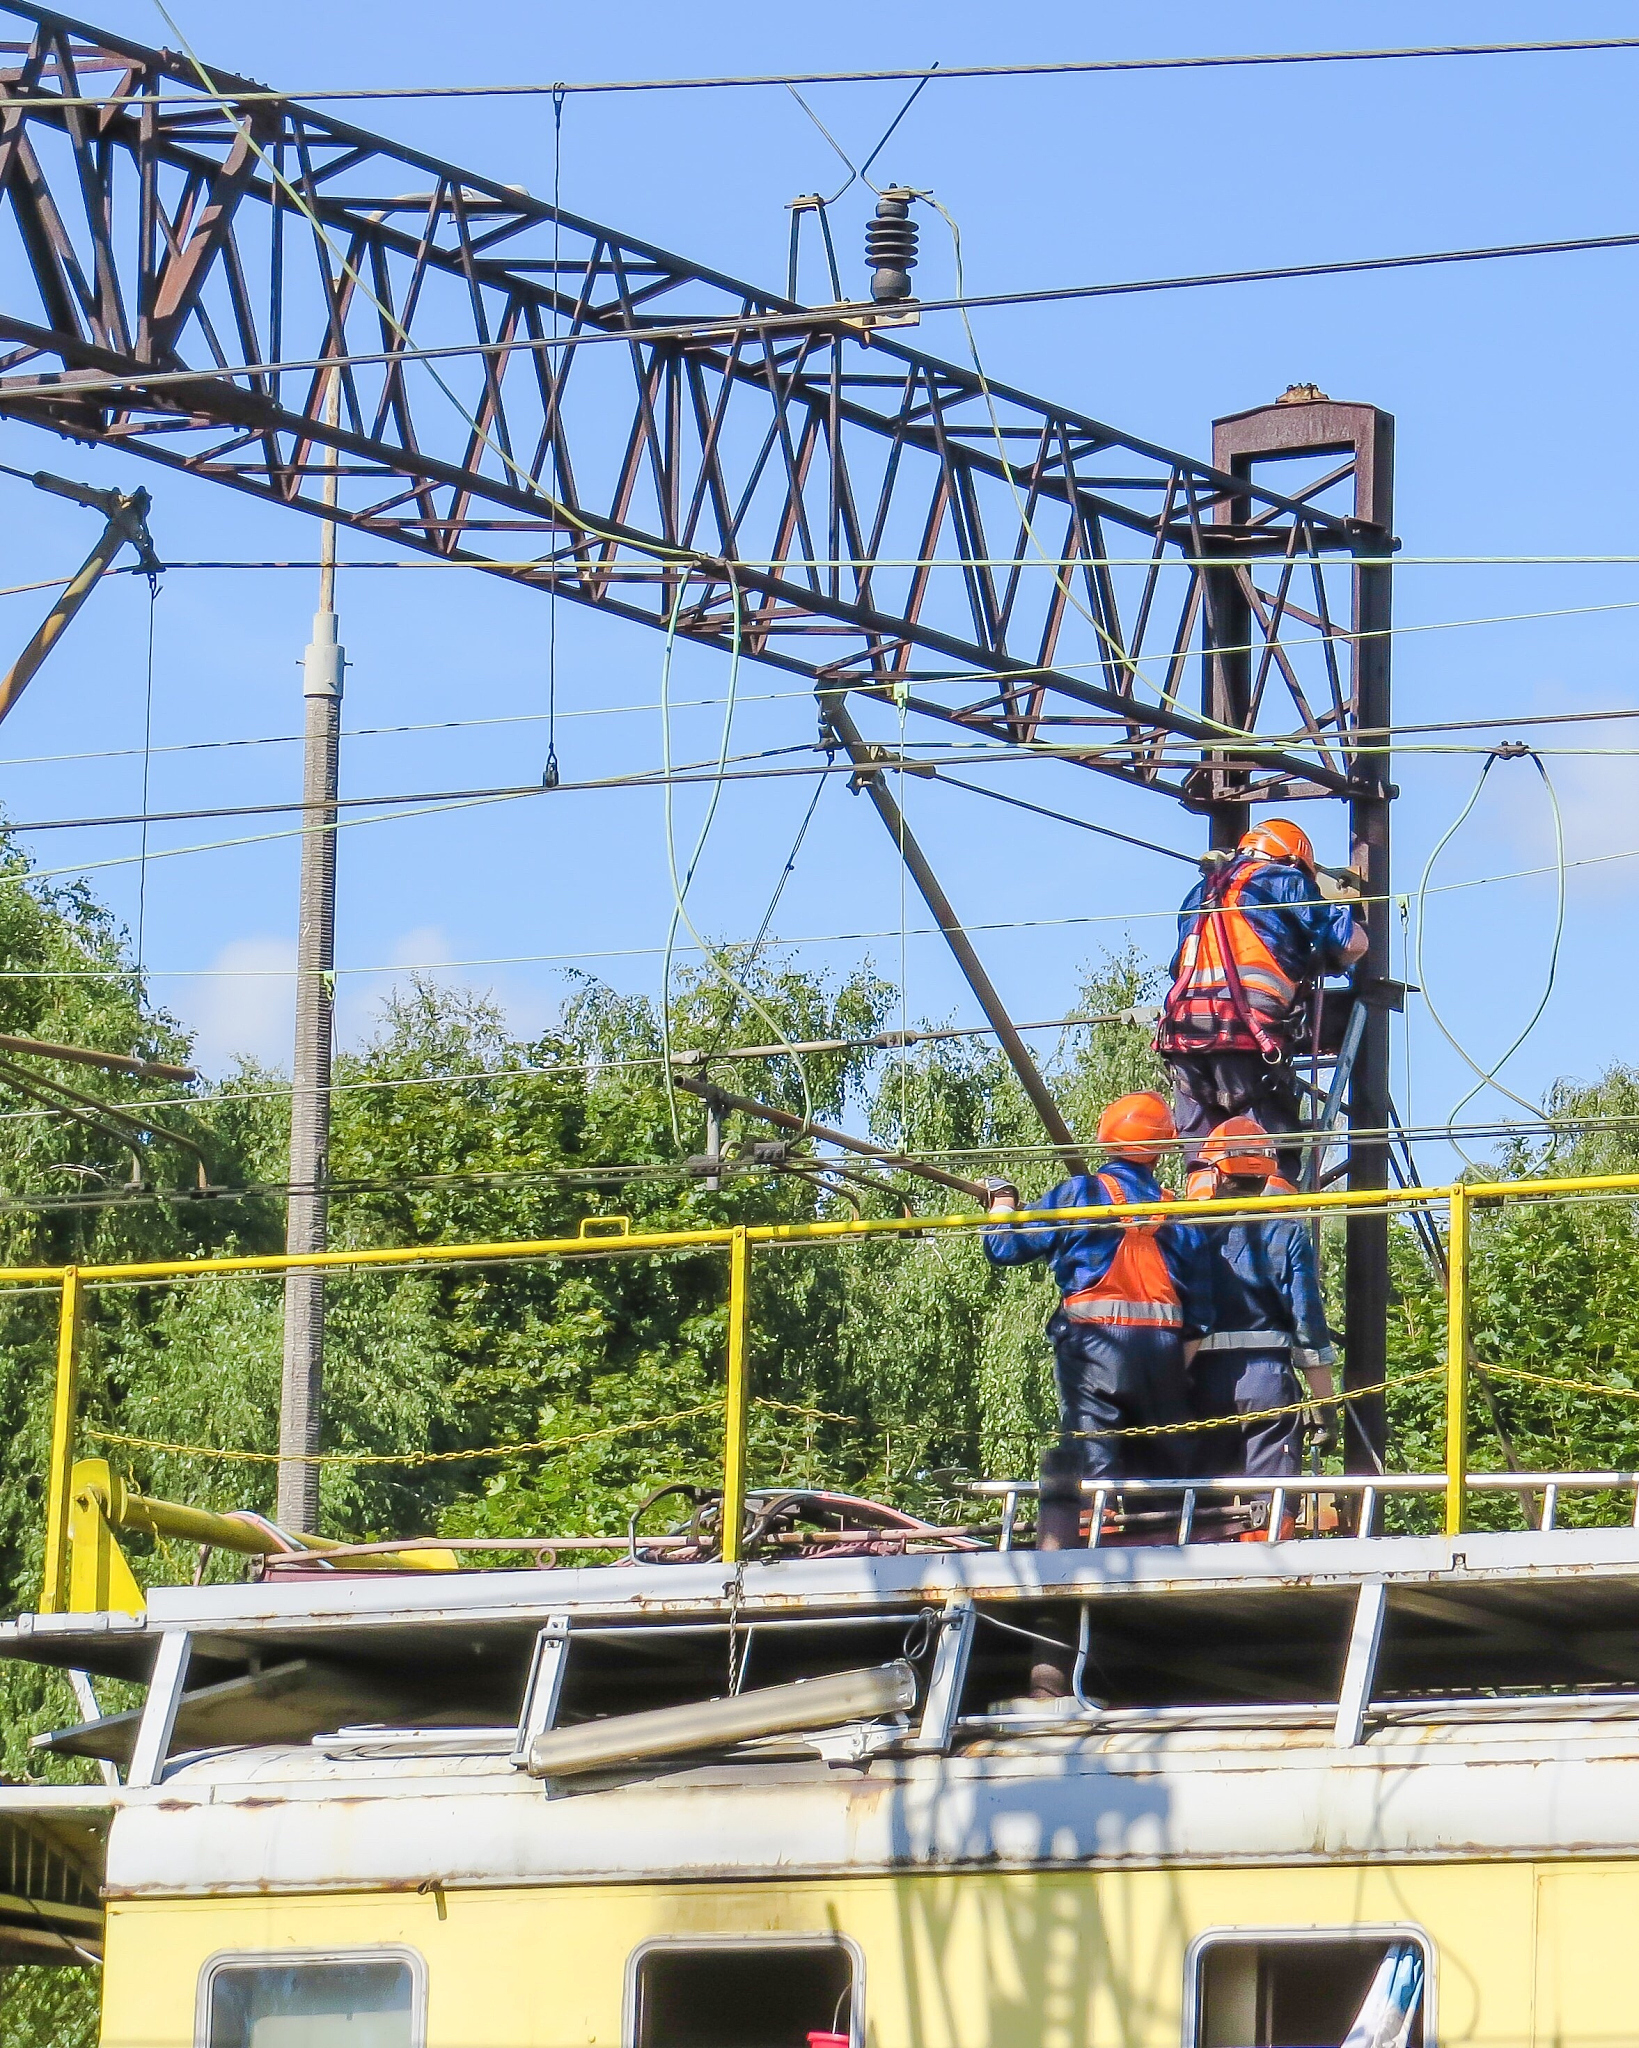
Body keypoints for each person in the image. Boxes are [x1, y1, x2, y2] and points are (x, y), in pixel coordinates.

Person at [983, 1092, 1212, 1486]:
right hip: (1161, 1356)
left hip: (1092, 1349)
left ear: (1107, 1137)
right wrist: (1174, 1371)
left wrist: (1002, 1206)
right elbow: (1202, 1314)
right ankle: (1167, 1534)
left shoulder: (1080, 1195)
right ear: (1161, 1150)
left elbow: (1005, 1248)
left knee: (1092, 1466)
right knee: (1162, 1474)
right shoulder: (1176, 1212)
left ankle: (1093, 1537)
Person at [1156, 817, 1367, 1179]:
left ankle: (1208, 1221)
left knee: (1205, 1164)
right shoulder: (1283, 881)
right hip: (1246, 1038)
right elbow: (1349, 942)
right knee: (1266, 1162)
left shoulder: (1200, 892)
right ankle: (1272, 1230)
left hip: (1183, 1039)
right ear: (1292, 859)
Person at [1189, 1116, 1337, 1480]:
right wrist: (1325, 1407)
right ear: (1266, 1175)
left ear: (1216, 1174)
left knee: (1204, 1503)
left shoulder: (1186, 1232)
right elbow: (1308, 1325)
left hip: (1200, 1380)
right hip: (1267, 1380)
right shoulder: (1287, 1234)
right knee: (1272, 1498)